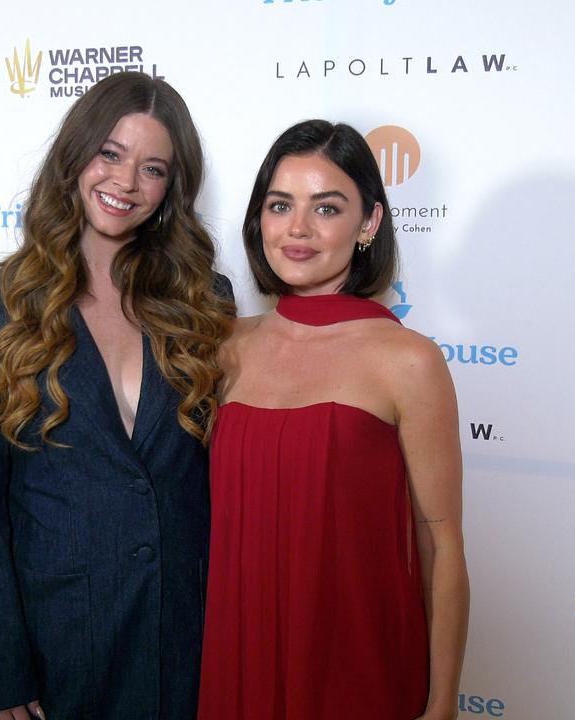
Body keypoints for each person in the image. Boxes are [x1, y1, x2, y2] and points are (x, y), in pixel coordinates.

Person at [0, 72, 234, 720]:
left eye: (153, 167)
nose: (127, 182)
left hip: (186, 640)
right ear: (75, 157)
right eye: (111, 153)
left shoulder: (203, 301)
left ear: (170, 189)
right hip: (60, 648)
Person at [197, 120, 469, 720]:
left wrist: (442, 703)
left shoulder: (408, 360)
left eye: (326, 208)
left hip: (357, 665)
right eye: (280, 205)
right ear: (258, 219)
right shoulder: (222, 346)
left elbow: (441, 542)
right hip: (235, 659)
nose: (297, 228)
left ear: (368, 223)